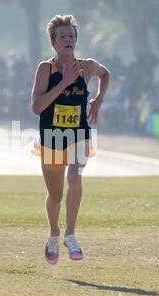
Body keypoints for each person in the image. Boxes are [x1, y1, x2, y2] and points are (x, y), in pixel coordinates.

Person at [31, 15, 110, 265]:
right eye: (63, 36)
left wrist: (98, 99)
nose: (68, 39)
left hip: (79, 135)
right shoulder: (46, 69)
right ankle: (54, 233)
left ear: (76, 40)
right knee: (55, 197)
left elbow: (105, 74)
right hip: (52, 137)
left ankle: (70, 235)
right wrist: (64, 83)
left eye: (72, 36)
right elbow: (36, 106)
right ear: (53, 44)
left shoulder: (86, 66)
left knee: (75, 177)